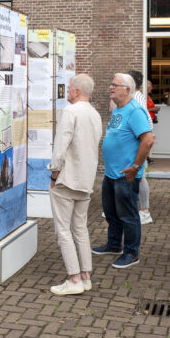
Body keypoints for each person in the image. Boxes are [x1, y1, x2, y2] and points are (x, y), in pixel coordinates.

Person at [47, 74, 102, 295]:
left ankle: (73, 278)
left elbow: (61, 146)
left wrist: (53, 174)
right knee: (80, 228)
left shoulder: (70, 112)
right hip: (85, 179)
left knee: (63, 230)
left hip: (67, 179)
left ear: (77, 91)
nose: (67, 91)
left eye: (69, 88)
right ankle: (86, 275)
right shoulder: (95, 114)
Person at [92, 73, 154, 269]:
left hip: (126, 174)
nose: (110, 87)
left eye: (115, 85)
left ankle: (131, 252)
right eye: (111, 84)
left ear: (127, 89)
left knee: (128, 215)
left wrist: (135, 167)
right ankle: (113, 245)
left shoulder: (135, 111)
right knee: (111, 212)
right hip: (111, 173)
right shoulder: (119, 109)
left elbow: (148, 140)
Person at [127, 70, 154, 225]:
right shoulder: (138, 97)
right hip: (138, 141)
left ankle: (145, 211)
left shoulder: (135, 98)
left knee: (140, 175)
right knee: (137, 174)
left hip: (138, 142)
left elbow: (143, 122)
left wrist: (147, 139)